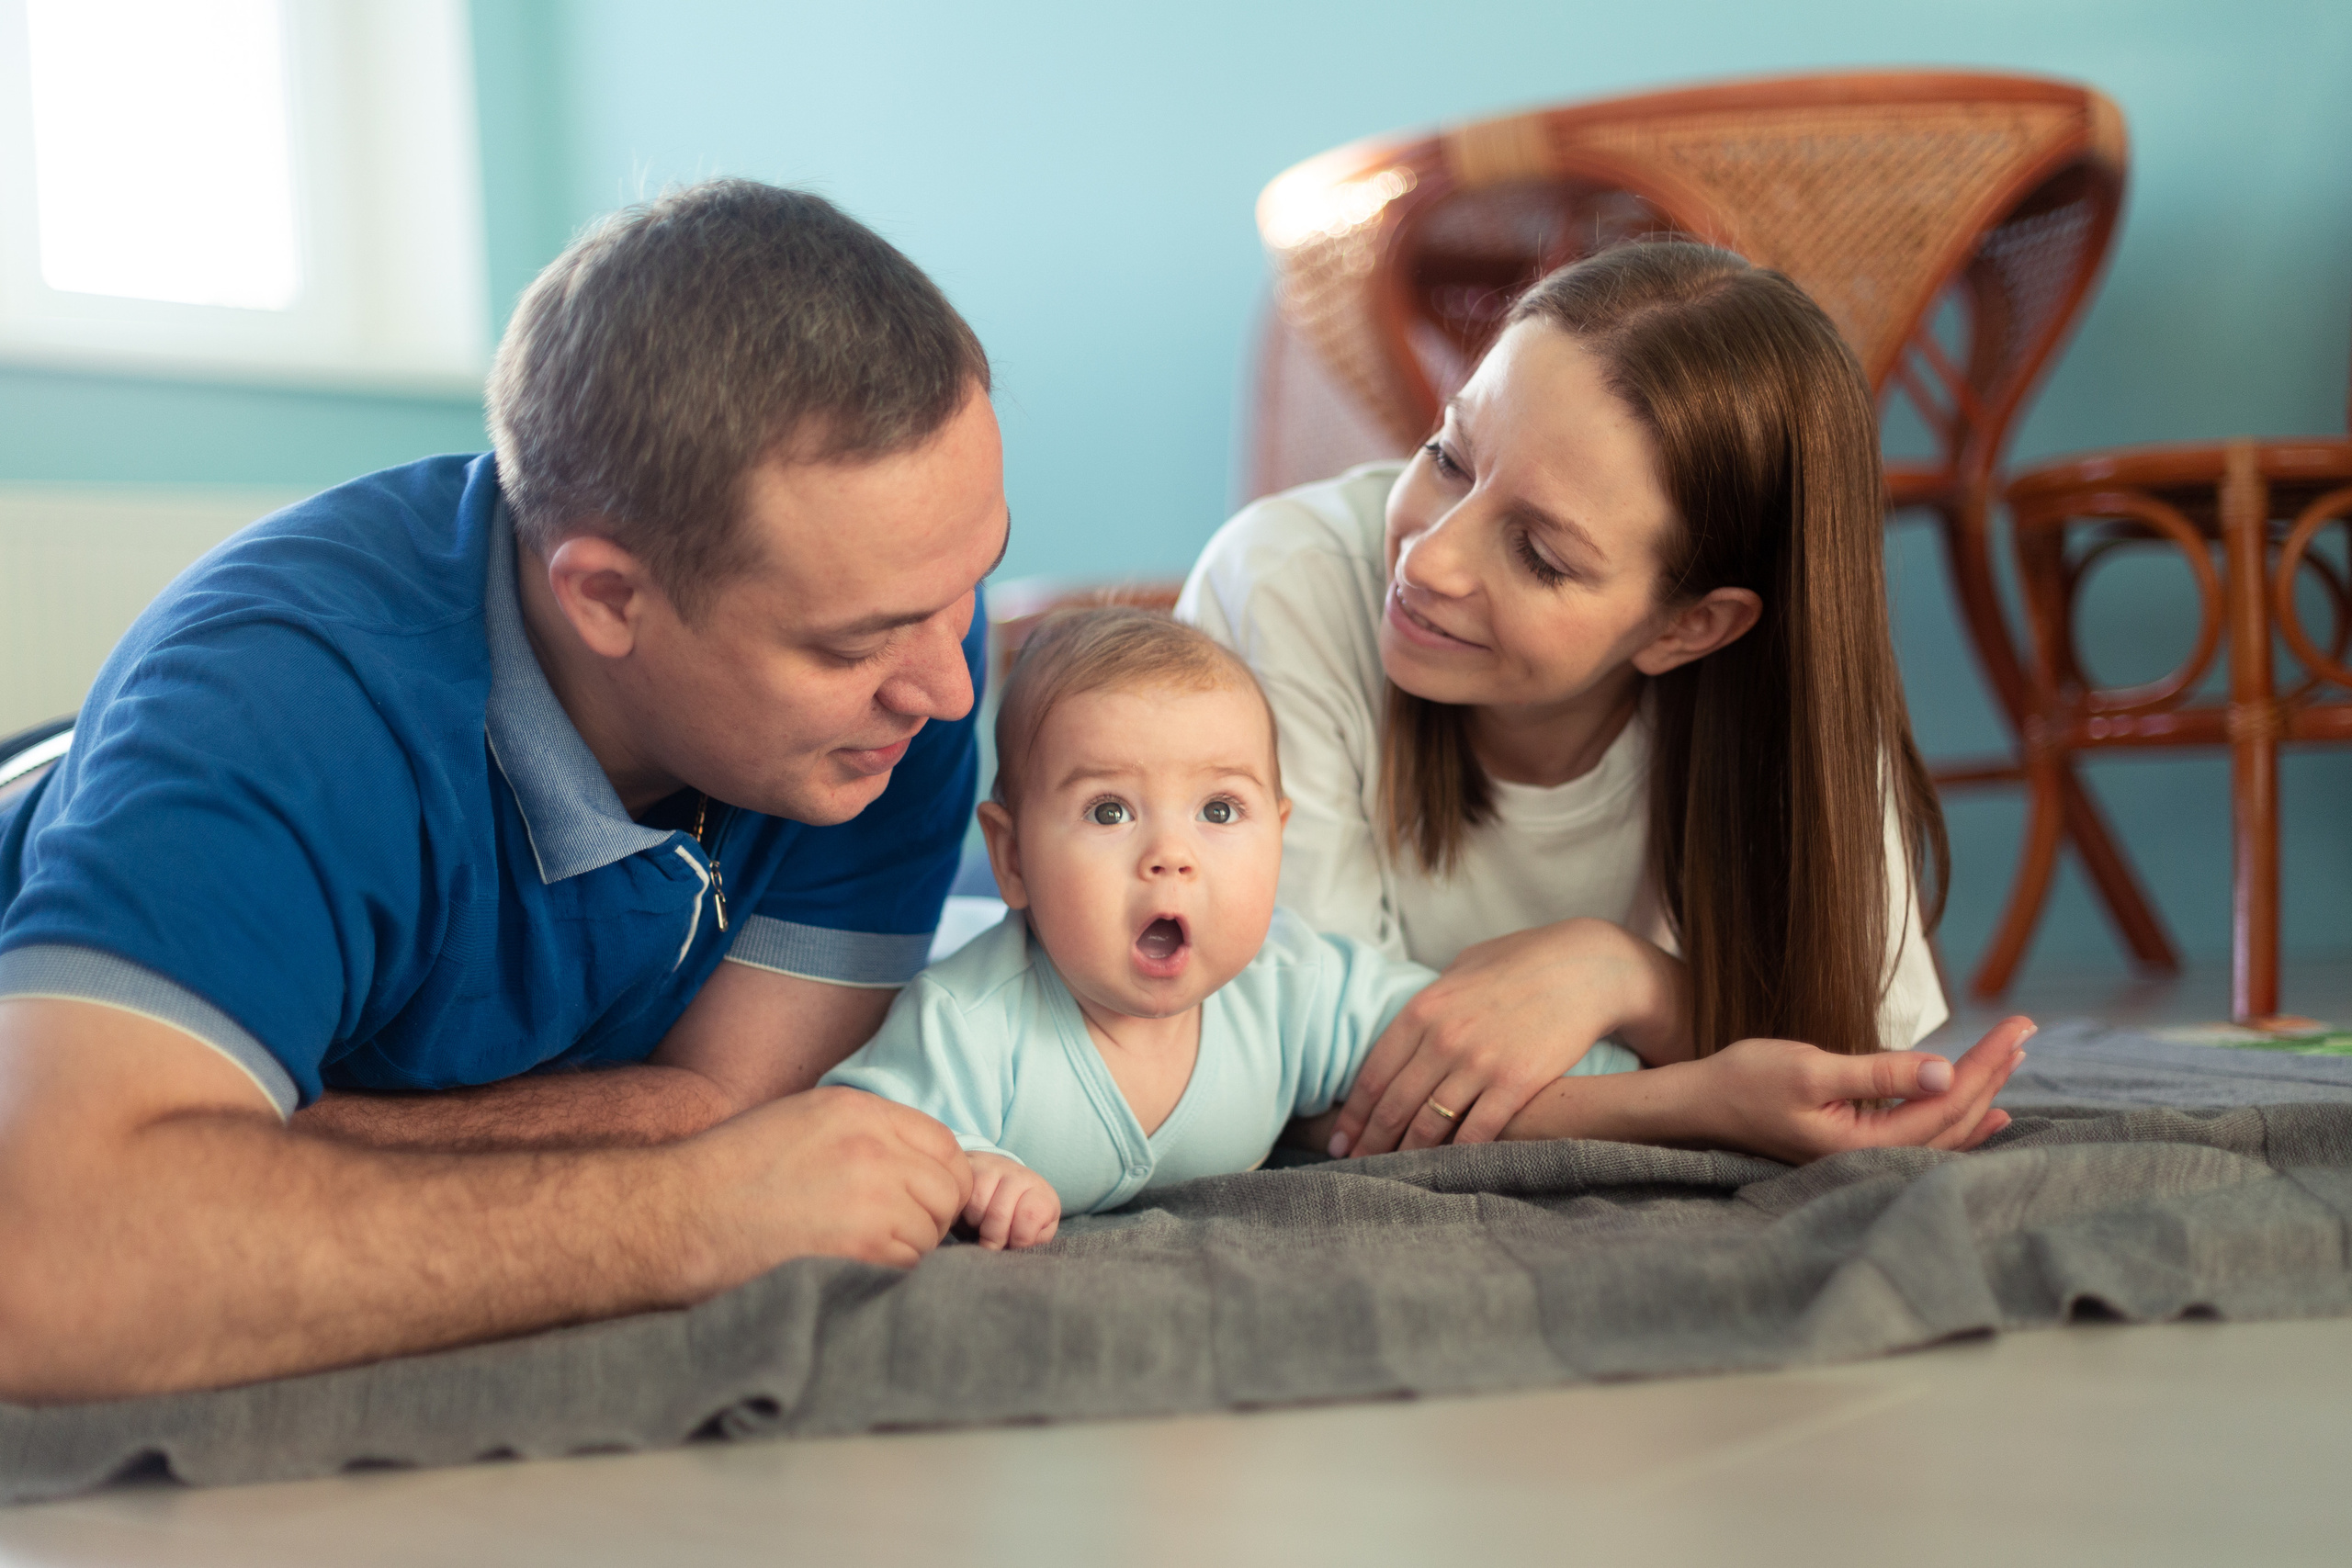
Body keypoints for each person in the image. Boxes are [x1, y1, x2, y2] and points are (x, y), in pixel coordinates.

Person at [0, 181, 1001, 1401]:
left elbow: (724, 1102)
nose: (951, 688)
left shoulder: (907, 644)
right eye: (855, 642)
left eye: (973, 579)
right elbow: (52, 1259)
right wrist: (680, 1218)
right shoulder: (283, 708)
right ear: (606, 596)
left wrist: (263, 1153)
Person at [820, 609, 2026, 1250]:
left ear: (1279, 832)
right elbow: (845, 1136)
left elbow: (1482, 1072)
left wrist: (1700, 1085)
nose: (1170, 851)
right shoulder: (970, 1022)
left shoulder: (1289, 982)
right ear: (1016, 854)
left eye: (1222, 807)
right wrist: (967, 1168)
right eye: (1109, 808)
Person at [1181, 240, 1984, 1160]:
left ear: (1691, 627)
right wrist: (1689, 1102)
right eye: (1447, 455)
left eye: (1538, 554)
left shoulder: (1786, 695)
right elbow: (1286, 1082)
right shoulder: (1283, 585)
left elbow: (1848, 1065)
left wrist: (1618, 976)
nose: (1428, 559)